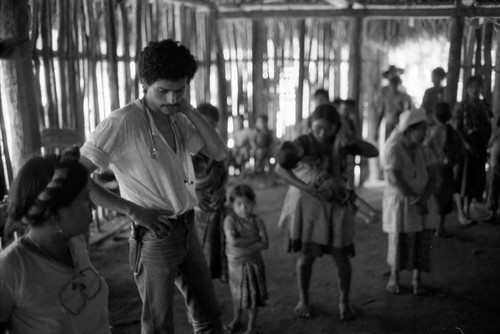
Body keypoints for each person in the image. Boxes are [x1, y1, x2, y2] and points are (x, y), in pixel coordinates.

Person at [80, 39, 227, 334]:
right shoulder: (122, 122)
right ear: (144, 83)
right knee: (159, 325)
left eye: (180, 90)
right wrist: (131, 210)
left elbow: (220, 153)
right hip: (155, 234)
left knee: (209, 315)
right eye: (163, 91)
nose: (172, 99)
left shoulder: (179, 119)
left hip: (188, 226)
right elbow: (78, 176)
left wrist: (189, 109)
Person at [0, 146, 110, 334]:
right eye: (85, 199)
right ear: (55, 215)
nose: (92, 206)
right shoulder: (11, 269)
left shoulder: (75, 244)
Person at [276, 104, 356, 322]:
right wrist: (306, 187)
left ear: (335, 127)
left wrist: (344, 143)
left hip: (335, 203)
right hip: (308, 204)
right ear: (311, 125)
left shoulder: (344, 143)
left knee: (341, 256)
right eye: (317, 128)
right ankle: (303, 299)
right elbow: (280, 169)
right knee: (307, 256)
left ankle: (344, 301)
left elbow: (350, 170)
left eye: (327, 129)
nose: (321, 133)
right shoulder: (301, 143)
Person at [383, 109, 439, 296]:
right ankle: (394, 277)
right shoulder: (394, 149)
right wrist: (416, 199)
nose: (425, 134)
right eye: (421, 130)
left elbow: (434, 176)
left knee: (421, 239)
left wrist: (424, 197)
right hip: (402, 202)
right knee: (400, 239)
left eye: (425, 129)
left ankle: (417, 279)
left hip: (422, 200)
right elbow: (395, 178)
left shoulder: (424, 150)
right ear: (408, 130)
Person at [276, 140, 380, 224]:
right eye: (296, 147)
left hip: (320, 190)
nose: (298, 145)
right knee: (351, 197)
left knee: (343, 203)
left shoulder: (294, 168)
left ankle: (366, 217)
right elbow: (322, 164)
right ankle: (371, 212)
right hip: (326, 182)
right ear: (297, 153)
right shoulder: (306, 160)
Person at [224, 184, 268, 334]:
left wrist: (244, 245)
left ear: (253, 202)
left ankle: (251, 326)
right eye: (239, 204)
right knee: (236, 294)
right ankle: (237, 319)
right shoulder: (230, 220)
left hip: (254, 265)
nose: (244, 208)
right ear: (232, 205)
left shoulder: (257, 221)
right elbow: (233, 242)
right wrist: (255, 239)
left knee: (252, 296)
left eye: (248, 203)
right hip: (235, 265)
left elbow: (265, 244)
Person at [192, 103, 228, 281]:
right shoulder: (186, 149)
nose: (207, 129)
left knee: (213, 250)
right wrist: (194, 195)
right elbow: (179, 180)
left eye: (212, 125)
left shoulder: (216, 150)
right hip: (195, 210)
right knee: (197, 258)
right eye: (203, 124)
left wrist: (221, 192)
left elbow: (222, 176)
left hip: (215, 207)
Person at [452, 75, 493, 226]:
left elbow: (490, 126)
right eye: (472, 88)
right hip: (465, 147)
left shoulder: (484, 106)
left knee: (473, 180)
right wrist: (465, 144)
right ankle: (461, 213)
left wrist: (487, 142)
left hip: (480, 146)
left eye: (477, 88)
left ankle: (467, 211)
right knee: (461, 180)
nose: (475, 91)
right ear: (467, 89)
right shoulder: (461, 106)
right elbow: (456, 128)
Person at [424, 102, 462, 237]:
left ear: (435, 116)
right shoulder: (451, 131)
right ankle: (440, 228)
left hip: (434, 166)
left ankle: (432, 226)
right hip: (446, 167)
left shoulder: (433, 131)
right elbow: (456, 152)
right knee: (444, 198)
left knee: (434, 197)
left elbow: (426, 146)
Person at [376, 65, 415, 141]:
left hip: (401, 124)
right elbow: (382, 109)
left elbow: (409, 110)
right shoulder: (384, 91)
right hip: (389, 123)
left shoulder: (404, 94)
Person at [483, 117, 500, 224]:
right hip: (494, 166)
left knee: (494, 189)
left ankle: (493, 211)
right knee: (493, 189)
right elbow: (488, 147)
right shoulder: (495, 137)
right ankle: (492, 211)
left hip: (495, 165)